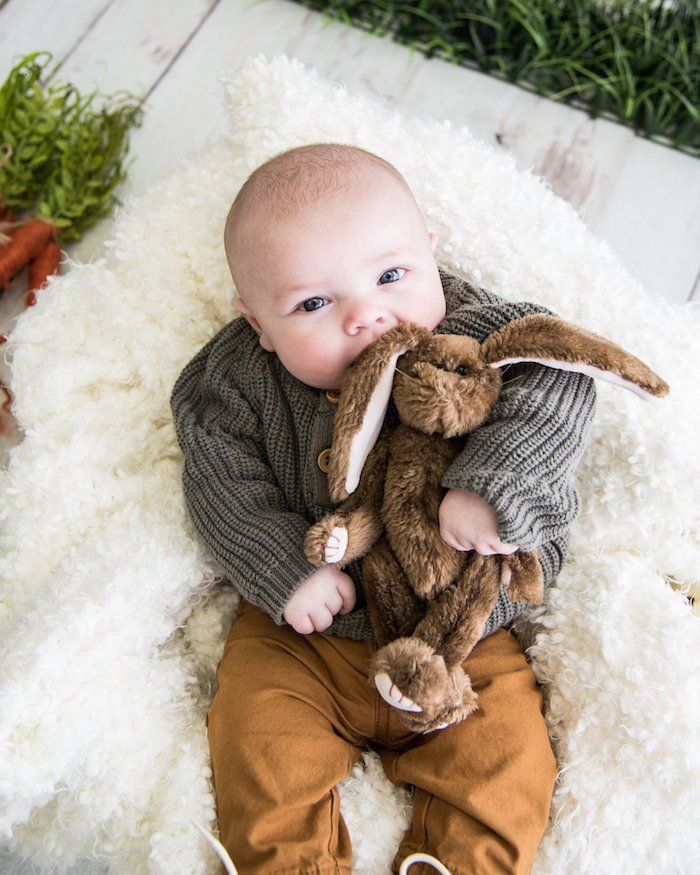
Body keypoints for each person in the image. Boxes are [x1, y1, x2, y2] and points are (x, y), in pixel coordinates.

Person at [170, 142, 597, 874]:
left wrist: (490, 487)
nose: (368, 315)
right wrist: (282, 570)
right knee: (258, 741)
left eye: (392, 275)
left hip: (460, 639)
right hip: (306, 639)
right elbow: (220, 477)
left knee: (506, 761)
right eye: (313, 303)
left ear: (431, 255)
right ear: (257, 324)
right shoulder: (231, 380)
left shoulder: (483, 331)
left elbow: (561, 386)